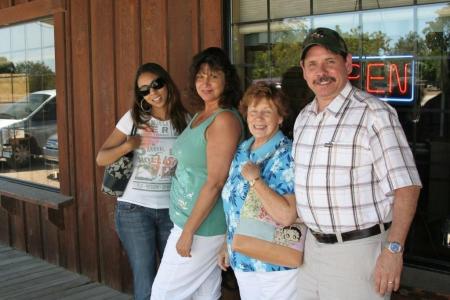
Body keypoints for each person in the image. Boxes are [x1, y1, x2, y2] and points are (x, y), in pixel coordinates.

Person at [292, 27, 422, 300]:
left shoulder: (374, 113)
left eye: (330, 61)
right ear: (303, 70)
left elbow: (407, 187)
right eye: (313, 64)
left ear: (348, 63)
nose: (321, 72)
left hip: (358, 252)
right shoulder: (304, 118)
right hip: (311, 250)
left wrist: (394, 250)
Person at [151, 47, 243, 300]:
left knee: (162, 294)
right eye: (201, 76)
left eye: (214, 76)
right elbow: (198, 162)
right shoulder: (202, 115)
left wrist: (189, 232)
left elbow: (215, 181)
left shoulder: (223, 120)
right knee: (204, 294)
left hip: (202, 227)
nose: (206, 82)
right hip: (189, 220)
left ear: (227, 79)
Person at [96, 62, 188, 300]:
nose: (153, 93)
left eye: (157, 85)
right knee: (145, 281)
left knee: (174, 281)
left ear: (167, 83)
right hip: (134, 210)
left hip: (173, 212)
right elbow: (101, 157)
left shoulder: (185, 120)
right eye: (144, 90)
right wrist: (128, 144)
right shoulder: (134, 118)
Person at [218, 82, 299, 299]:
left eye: (266, 112)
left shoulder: (287, 154)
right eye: (253, 112)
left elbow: (287, 215)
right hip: (243, 256)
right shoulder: (243, 150)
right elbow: (233, 205)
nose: (258, 118)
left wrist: (256, 181)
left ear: (280, 117)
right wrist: (227, 244)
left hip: (275, 263)